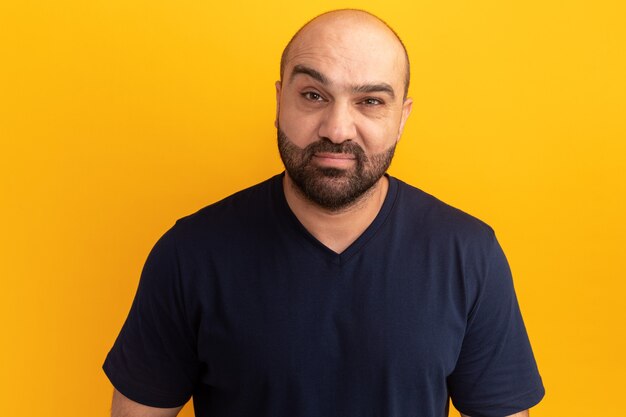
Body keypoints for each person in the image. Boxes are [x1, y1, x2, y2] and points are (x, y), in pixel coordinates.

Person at [103, 9, 544, 417]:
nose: (336, 129)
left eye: (370, 101)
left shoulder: (468, 254)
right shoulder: (189, 253)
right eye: (313, 94)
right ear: (279, 101)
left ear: (402, 117)